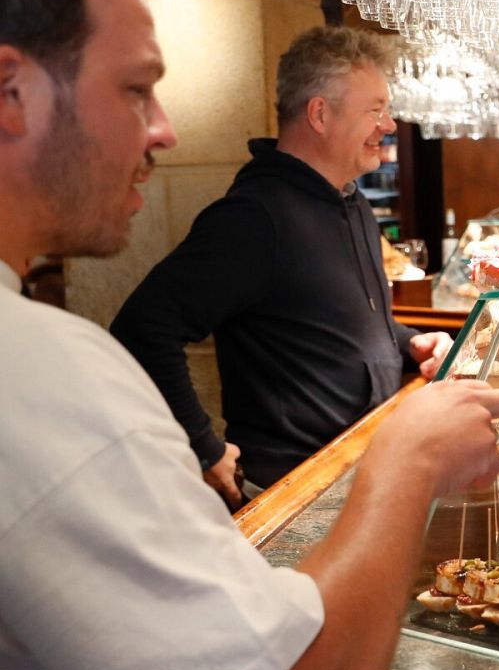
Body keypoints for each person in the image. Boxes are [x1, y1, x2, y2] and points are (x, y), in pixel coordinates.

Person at [0, 0, 499, 670]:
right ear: (12, 91)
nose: (166, 131)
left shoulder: (351, 207)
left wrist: (402, 353)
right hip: (300, 481)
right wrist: (400, 460)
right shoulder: (42, 369)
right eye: (137, 89)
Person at [111, 26, 454, 504]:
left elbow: (338, 317)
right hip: (294, 490)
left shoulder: (351, 201)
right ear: (319, 114)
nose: (390, 124)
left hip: (360, 467)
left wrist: (409, 340)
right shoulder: (254, 218)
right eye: (375, 110)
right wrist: (202, 445)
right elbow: (143, 327)